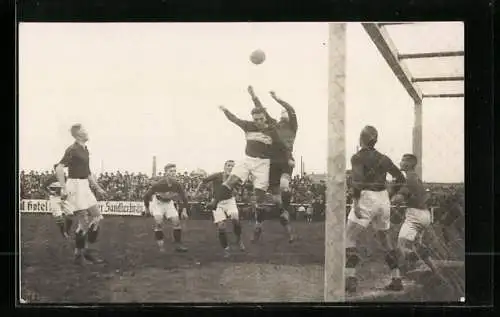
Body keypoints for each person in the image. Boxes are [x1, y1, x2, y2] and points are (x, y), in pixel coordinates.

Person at [344, 125, 406, 293]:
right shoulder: (384, 158)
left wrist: (356, 203)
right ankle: (396, 278)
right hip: (383, 198)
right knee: (385, 241)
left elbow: (357, 180)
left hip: (366, 197)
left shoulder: (357, 157)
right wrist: (391, 194)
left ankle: (351, 279)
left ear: (361, 139)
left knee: (349, 238)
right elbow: (400, 177)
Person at [211, 92, 283, 232]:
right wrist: (225, 110)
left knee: (259, 198)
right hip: (248, 159)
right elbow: (234, 119)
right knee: (230, 181)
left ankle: (258, 224)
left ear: (265, 118)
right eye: (256, 119)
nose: (258, 122)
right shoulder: (248, 126)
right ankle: (214, 203)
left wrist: (254, 96)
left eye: (261, 119)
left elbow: (280, 145)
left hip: (263, 164)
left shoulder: (272, 128)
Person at [247, 86, 297, 243]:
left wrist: (277, 99)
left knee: (283, 186)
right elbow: (261, 111)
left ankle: (285, 211)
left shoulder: (292, 126)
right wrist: (254, 95)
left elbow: (291, 109)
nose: (283, 114)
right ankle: (260, 226)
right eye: (281, 112)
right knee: (266, 200)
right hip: (270, 163)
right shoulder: (274, 124)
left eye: (285, 112)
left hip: (285, 162)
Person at [55, 124, 107, 265]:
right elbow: (59, 168)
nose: (87, 132)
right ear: (78, 135)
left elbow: (88, 173)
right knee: (84, 221)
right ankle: (79, 255)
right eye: (84, 131)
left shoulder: (85, 149)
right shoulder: (72, 149)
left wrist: (98, 187)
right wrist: (64, 187)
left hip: (85, 185)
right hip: (75, 186)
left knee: (97, 217)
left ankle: (86, 247)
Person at [194, 160, 245, 258]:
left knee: (235, 218)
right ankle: (226, 249)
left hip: (230, 201)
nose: (230, 168)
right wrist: (196, 193)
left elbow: (240, 187)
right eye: (229, 166)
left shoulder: (235, 178)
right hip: (217, 202)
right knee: (221, 226)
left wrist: (239, 192)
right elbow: (203, 181)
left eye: (232, 166)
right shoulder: (217, 175)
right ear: (225, 166)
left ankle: (239, 239)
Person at [143, 163, 189, 253]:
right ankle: (161, 245)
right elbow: (146, 196)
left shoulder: (177, 184)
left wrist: (184, 210)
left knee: (176, 222)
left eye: (174, 171)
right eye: (171, 171)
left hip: (168, 203)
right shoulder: (159, 184)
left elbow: (184, 198)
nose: (173, 173)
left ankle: (178, 245)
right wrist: (147, 209)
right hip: (158, 203)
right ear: (166, 173)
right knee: (159, 222)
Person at [42, 165, 73, 239]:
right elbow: (43, 188)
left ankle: (67, 231)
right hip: (54, 199)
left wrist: (66, 194)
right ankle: (63, 233)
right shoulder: (51, 178)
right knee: (59, 218)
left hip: (64, 199)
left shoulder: (65, 178)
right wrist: (50, 193)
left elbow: (69, 188)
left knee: (70, 216)